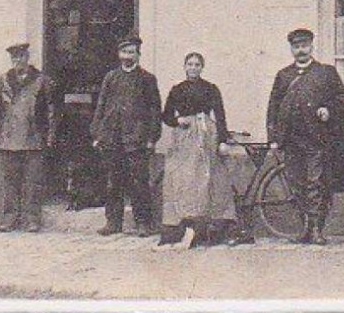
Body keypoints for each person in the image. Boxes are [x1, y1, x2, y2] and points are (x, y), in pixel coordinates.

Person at [266, 28, 344, 245]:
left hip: (318, 139)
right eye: (296, 46)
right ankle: (305, 229)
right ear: (291, 49)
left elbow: (343, 100)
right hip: (292, 140)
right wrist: (273, 138)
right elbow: (273, 107)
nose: (301, 50)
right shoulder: (283, 76)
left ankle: (317, 229)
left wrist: (329, 109)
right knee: (296, 184)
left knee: (316, 183)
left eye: (304, 45)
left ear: (311, 47)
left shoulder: (326, 73)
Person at [157, 52, 237, 250]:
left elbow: (220, 115)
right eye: (190, 64)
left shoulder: (210, 89)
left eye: (197, 64)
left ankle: (208, 229)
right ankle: (183, 228)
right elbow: (166, 116)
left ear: (202, 67)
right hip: (184, 139)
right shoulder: (177, 90)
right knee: (184, 179)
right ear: (185, 67)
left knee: (208, 180)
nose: (193, 68)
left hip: (206, 136)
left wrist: (222, 140)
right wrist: (178, 120)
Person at [90, 35, 162, 237]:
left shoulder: (147, 79)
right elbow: (101, 107)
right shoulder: (111, 77)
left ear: (138, 55)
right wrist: (97, 133)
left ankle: (143, 223)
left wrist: (151, 138)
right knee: (113, 182)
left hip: (137, 139)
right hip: (113, 137)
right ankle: (113, 222)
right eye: (124, 52)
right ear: (118, 54)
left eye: (131, 52)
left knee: (139, 182)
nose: (127, 56)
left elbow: (155, 110)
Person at [0, 40, 54, 233]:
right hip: (9, 139)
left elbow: (50, 110)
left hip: (33, 137)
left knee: (32, 181)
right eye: (14, 58)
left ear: (28, 58)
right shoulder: (4, 80)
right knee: (10, 181)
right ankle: (10, 218)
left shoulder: (41, 80)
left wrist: (49, 136)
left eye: (21, 57)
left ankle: (32, 219)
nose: (18, 61)